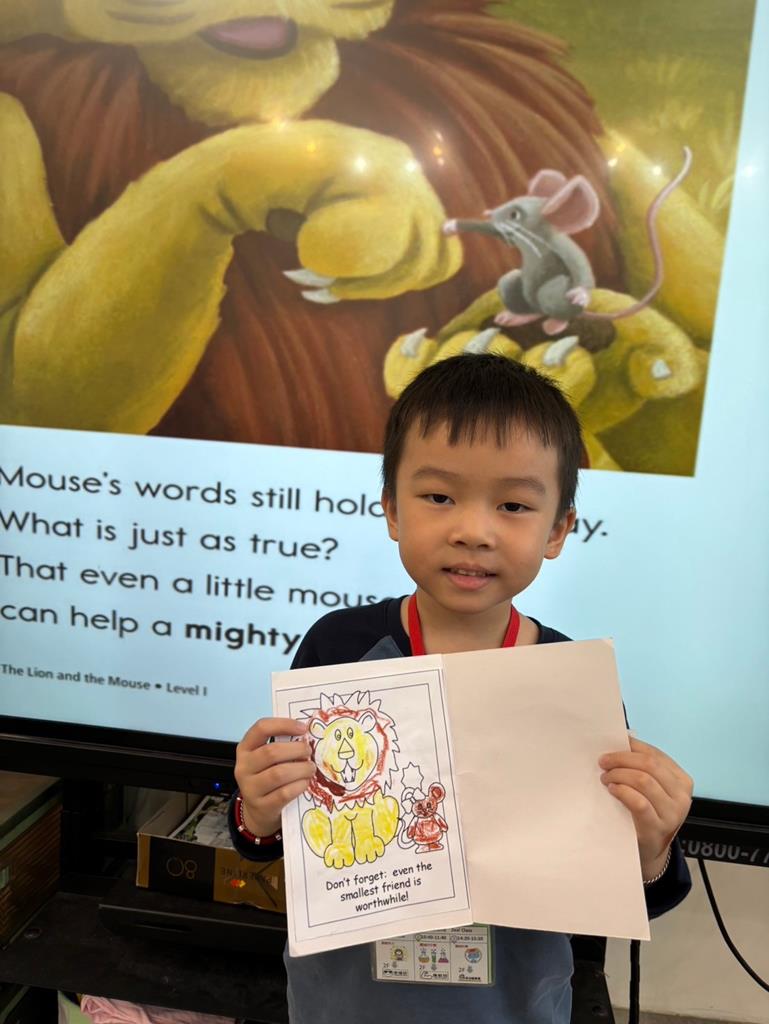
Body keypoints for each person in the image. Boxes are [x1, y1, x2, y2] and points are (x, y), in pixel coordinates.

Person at [228, 354, 693, 1023]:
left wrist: (650, 848)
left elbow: (621, 895)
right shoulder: (337, 647)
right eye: (439, 497)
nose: (472, 531)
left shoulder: (570, 679)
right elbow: (277, 839)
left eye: (513, 505)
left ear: (557, 530)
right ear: (391, 510)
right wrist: (257, 810)